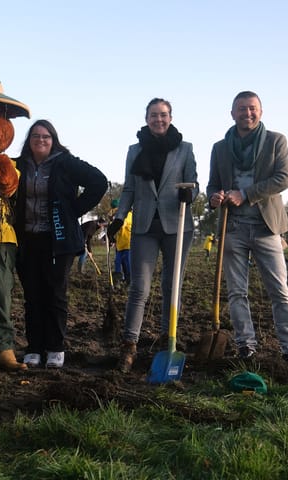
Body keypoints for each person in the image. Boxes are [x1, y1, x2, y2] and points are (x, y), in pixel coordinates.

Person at [207, 90, 288, 371]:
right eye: (242, 109)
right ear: (232, 113)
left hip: (267, 227)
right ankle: (246, 347)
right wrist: (214, 197)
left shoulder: (276, 141)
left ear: (261, 112)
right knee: (236, 292)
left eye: (252, 108)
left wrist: (246, 194)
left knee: (280, 291)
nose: (248, 113)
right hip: (233, 228)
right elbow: (212, 184)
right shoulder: (220, 148)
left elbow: (283, 178)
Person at [108, 98, 198, 374]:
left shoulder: (185, 148)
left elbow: (194, 183)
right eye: (153, 115)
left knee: (172, 286)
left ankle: (167, 339)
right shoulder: (135, 150)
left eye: (163, 115)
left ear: (170, 117)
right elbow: (129, 189)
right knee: (139, 288)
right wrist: (119, 217)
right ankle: (129, 345)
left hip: (177, 226)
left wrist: (190, 193)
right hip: (144, 226)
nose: (159, 119)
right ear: (146, 118)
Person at [13, 119, 107, 369]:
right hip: (26, 239)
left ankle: (55, 347)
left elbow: (99, 182)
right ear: (29, 140)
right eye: (35, 136)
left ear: (53, 140)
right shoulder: (18, 165)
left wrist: (72, 210)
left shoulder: (66, 163)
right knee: (32, 296)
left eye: (46, 136)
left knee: (55, 294)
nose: (40, 140)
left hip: (58, 239)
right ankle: (34, 348)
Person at [110, 200, 132, 283]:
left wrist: (114, 222)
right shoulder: (117, 216)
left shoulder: (129, 215)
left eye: (115, 209)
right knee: (117, 261)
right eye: (113, 210)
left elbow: (121, 225)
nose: (114, 211)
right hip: (119, 244)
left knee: (127, 262)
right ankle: (118, 279)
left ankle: (129, 280)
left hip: (127, 243)